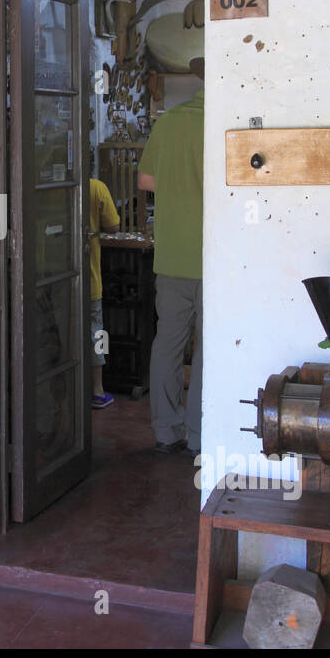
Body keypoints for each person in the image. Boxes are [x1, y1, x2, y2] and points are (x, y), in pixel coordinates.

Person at [137, 86, 204, 456]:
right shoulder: (224, 119)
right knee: (207, 347)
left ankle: (166, 431)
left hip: (172, 255)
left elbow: (145, 181)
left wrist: (179, 187)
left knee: (168, 344)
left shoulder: (169, 122)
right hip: (214, 257)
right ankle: (198, 436)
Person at [89, 176, 121, 409]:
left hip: (49, 271)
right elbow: (113, 226)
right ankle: (97, 390)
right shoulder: (97, 187)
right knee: (97, 335)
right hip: (89, 278)